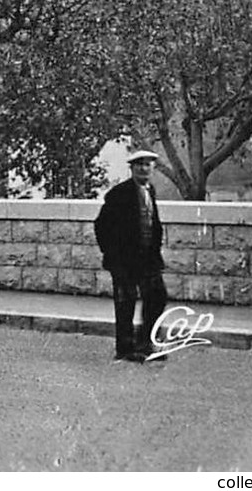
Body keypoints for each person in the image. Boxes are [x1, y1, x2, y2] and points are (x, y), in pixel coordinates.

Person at [94, 149, 168, 363]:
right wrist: (112, 256)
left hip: (148, 259)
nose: (144, 169)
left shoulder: (149, 190)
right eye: (139, 165)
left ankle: (145, 342)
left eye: (148, 165)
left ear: (153, 168)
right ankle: (125, 348)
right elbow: (101, 226)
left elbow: (153, 224)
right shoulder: (120, 194)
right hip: (124, 261)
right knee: (125, 303)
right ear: (132, 168)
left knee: (157, 297)